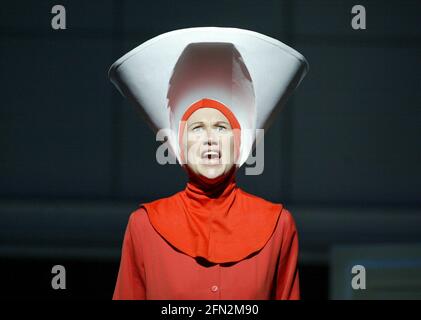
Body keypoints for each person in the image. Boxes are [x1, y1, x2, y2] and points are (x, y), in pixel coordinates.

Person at [108, 27, 309, 300]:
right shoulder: (144, 226)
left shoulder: (278, 225)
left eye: (222, 127)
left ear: (237, 142)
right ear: (181, 144)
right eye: (197, 128)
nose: (210, 139)